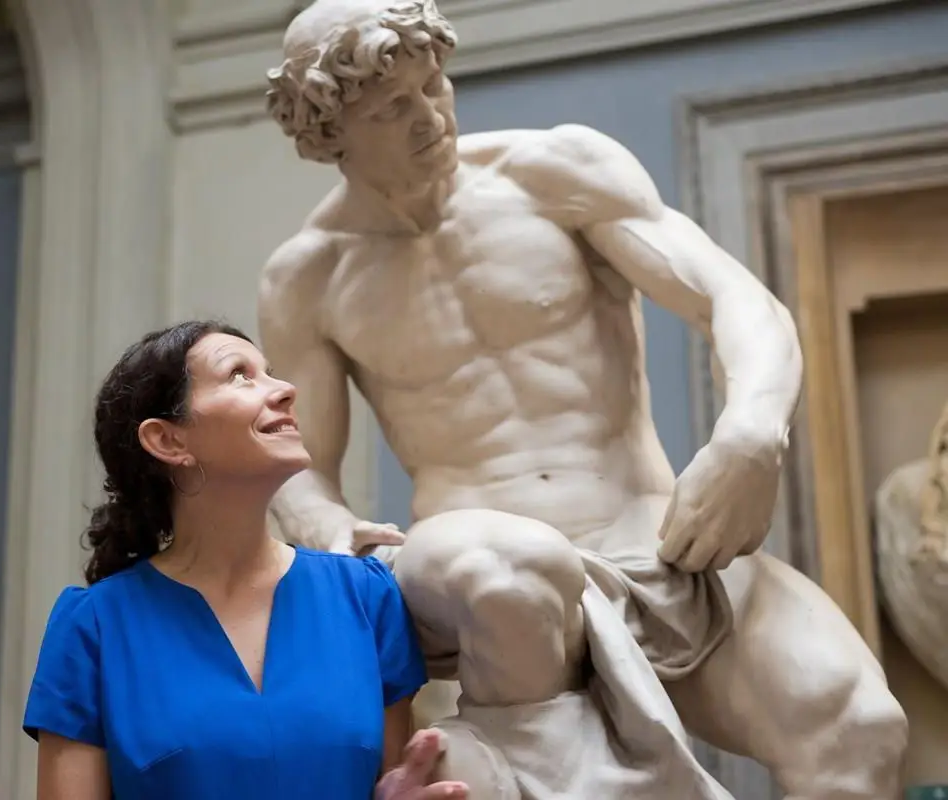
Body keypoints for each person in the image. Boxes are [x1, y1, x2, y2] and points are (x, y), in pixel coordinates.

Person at [257, 0, 908, 797]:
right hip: (476, 574)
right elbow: (301, 465)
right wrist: (330, 532)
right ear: (331, 132)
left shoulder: (551, 173)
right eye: (394, 108)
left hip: (654, 543)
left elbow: (729, 295)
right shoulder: (310, 276)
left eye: (435, 86)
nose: (431, 115)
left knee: (856, 727)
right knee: (505, 573)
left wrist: (752, 432)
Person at [21, 320, 469, 799]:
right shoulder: (93, 628)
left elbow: (392, 781)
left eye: (271, 372)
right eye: (239, 374)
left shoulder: (366, 596)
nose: (287, 390)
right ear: (169, 441)